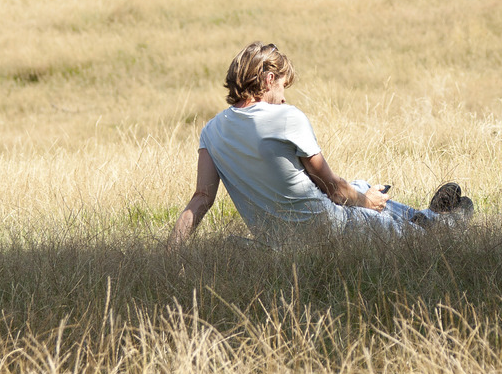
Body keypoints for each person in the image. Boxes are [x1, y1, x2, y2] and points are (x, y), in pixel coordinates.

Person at [169, 42, 474, 245]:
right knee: (414, 239)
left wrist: (170, 253)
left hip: (278, 242)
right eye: (282, 86)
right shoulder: (286, 117)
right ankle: (442, 227)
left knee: (361, 183)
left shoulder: (211, 131)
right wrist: (366, 201)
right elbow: (334, 190)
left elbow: (200, 200)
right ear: (268, 79)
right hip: (332, 231)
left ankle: (427, 217)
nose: (284, 96)